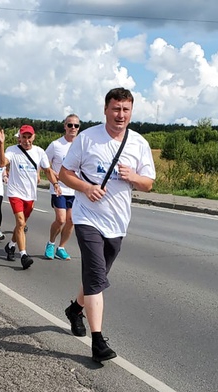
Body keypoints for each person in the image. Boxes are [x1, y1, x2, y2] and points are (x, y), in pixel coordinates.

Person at [59, 87, 156, 363]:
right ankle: (98, 341)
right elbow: (65, 174)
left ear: (131, 112)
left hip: (117, 222)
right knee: (95, 275)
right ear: (105, 110)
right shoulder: (88, 138)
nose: (120, 115)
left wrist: (134, 177)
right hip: (87, 217)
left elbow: (148, 184)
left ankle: (75, 310)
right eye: (115, 109)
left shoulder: (138, 143)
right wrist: (86, 188)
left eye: (125, 110)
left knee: (96, 278)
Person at [0, 125, 60, 270]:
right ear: (19, 137)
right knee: (20, 221)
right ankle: (24, 255)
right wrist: (1, 143)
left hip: (30, 194)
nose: (26, 140)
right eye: (23, 137)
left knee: (21, 224)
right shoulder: (12, 150)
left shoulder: (39, 152)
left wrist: (55, 183)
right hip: (15, 192)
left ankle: (11, 245)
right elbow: (1, 163)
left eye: (29, 137)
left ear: (34, 137)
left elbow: (47, 170)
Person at [44, 114, 81, 260]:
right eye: (70, 125)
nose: (73, 128)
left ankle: (61, 247)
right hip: (59, 188)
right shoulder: (56, 145)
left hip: (76, 190)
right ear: (65, 126)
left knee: (71, 220)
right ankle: (51, 243)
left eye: (76, 126)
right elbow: (44, 163)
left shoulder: (81, 145)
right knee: (61, 219)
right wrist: (55, 175)